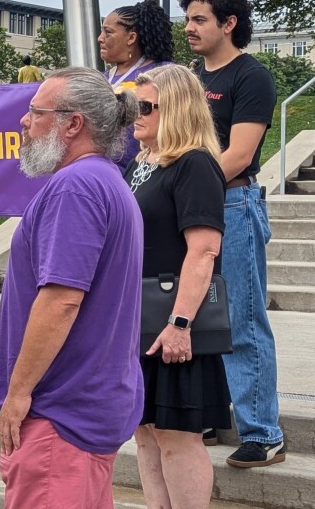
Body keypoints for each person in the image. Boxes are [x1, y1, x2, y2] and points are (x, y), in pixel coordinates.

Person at [0, 67, 143, 508]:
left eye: (36, 112)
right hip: (81, 410)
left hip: (59, 416)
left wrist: (18, 393)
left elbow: (61, 301)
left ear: (72, 123)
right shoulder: (105, 180)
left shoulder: (76, 187)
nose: (25, 121)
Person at [181, 0, 284, 467]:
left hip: (234, 207)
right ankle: (202, 414)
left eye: (200, 19)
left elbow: (240, 154)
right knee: (189, 314)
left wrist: (189, 186)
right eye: (187, 19)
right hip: (190, 207)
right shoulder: (190, 80)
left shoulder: (251, 76)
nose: (189, 28)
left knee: (241, 320)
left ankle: (262, 433)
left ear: (229, 23)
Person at [125, 64, 232, 507]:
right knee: (146, 432)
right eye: (135, 104)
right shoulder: (143, 162)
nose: (136, 113)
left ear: (177, 110)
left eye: (146, 106)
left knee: (176, 436)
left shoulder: (195, 164)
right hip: (141, 318)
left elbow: (204, 250)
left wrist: (181, 322)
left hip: (172, 320)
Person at [98, 0, 175, 170]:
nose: (100, 39)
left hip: (147, 175)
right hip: (102, 175)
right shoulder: (100, 79)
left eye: (108, 32)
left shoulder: (163, 73)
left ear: (131, 37)